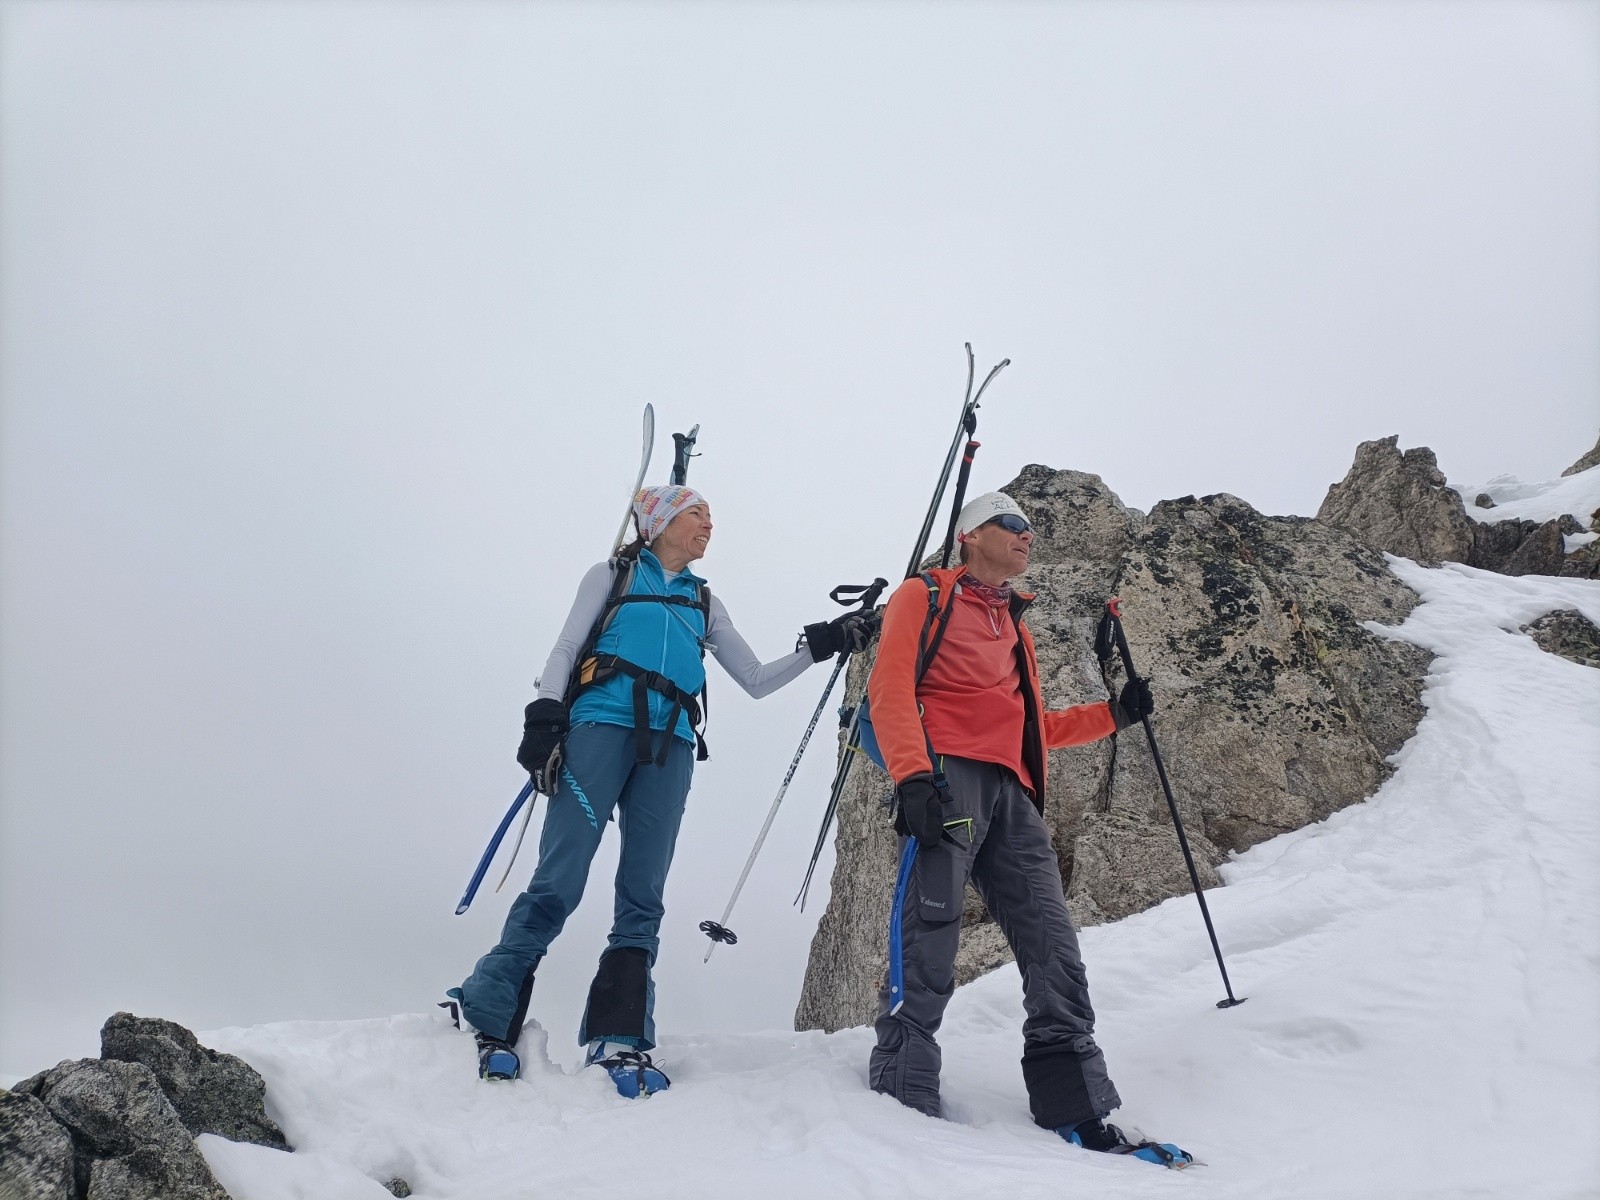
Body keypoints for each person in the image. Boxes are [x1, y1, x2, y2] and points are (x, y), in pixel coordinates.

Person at [454, 484, 874, 1094]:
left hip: (672, 745)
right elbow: (568, 646)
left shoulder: (705, 601)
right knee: (561, 877)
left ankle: (619, 1033)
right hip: (598, 727)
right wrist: (544, 715)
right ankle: (489, 1008)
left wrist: (824, 643)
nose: (709, 523)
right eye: (697, 513)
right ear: (660, 522)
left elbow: (755, 679)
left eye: (711, 516)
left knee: (644, 890)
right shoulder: (613, 574)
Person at [864, 490, 1192, 1167]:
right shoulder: (921, 597)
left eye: (1031, 528)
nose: (1027, 536)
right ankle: (901, 1096)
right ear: (970, 536)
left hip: (1012, 788)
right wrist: (913, 776)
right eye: (1012, 525)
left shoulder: (1011, 622)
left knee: (1052, 940)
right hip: (947, 774)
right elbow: (890, 688)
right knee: (930, 930)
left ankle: (1075, 1104)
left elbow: (1029, 725)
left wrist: (1114, 716)